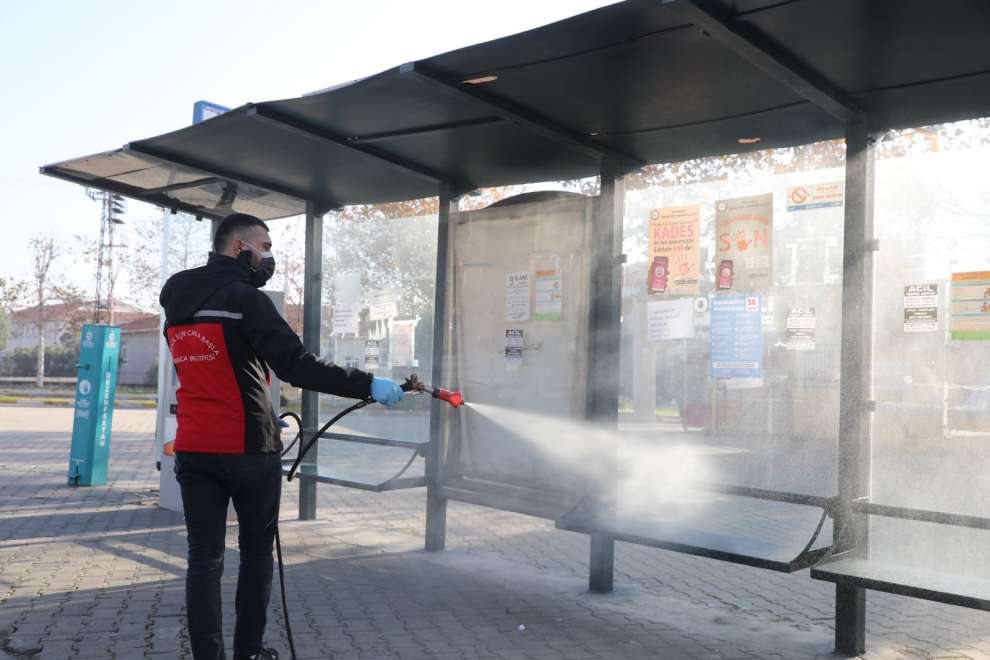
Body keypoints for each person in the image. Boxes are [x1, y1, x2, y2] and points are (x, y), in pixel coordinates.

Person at [160, 212, 404, 660]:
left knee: (204, 560)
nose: (268, 255)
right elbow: (296, 365)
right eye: (265, 246)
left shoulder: (176, 298)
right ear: (240, 248)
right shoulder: (245, 300)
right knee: (255, 553)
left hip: (194, 447)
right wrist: (367, 383)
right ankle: (248, 652)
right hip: (248, 448)